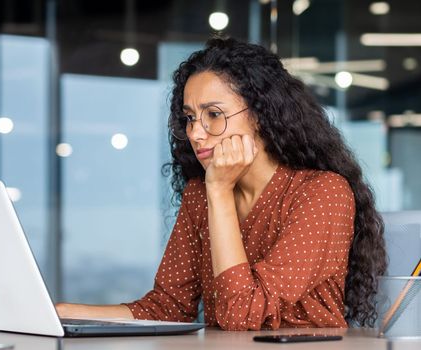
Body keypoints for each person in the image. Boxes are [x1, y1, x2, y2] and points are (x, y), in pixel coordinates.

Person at [56, 37, 387, 331]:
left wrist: (219, 191)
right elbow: (168, 307)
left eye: (213, 114)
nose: (195, 133)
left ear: (260, 113)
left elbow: (241, 314)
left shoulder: (322, 193)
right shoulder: (200, 195)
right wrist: (63, 312)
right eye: (189, 117)